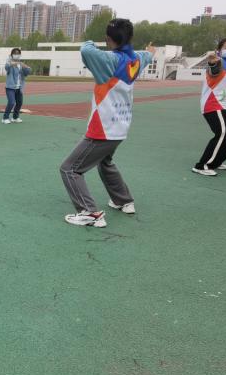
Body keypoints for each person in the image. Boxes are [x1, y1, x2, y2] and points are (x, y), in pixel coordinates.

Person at [59, 19, 155, 227]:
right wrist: (149, 50)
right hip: (120, 127)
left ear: (108, 39)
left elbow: (86, 50)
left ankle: (89, 212)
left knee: (69, 169)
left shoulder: (109, 60)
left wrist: (91, 41)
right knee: (105, 162)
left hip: (102, 129)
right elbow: (148, 54)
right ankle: (123, 200)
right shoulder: (137, 59)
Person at [193, 37, 226, 176]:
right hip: (214, 104)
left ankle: (217, 161)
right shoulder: (218, 62)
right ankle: (202, 166)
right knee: (223, 133)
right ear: (219, 50)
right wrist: (212, 64)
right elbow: (214, 70)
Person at [3, 48, 31, 123]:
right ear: (12, 55)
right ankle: (5, 118)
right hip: (10, 87)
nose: (16, 55)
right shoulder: (9, 62)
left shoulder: (21, 64)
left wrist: (26, 67)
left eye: (18, 53)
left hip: (19, 87)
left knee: (19, 103)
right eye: (15, 53)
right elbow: (6, 67)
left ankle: (15, 117)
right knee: (11, 102)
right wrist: (12, 63)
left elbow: (28, 72)